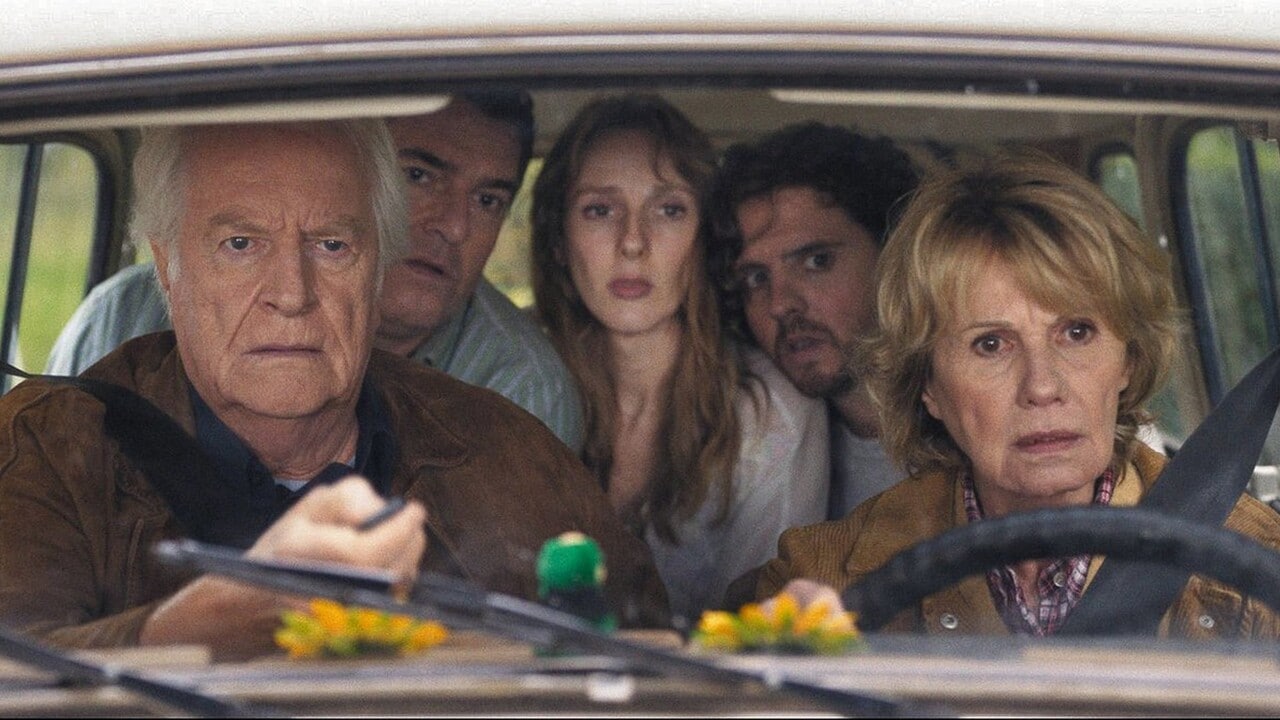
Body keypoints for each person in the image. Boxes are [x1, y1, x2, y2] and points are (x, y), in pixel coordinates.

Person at [0, 119, 667, 660]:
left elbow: (649, 661)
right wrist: (178, 635)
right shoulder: (46, 448)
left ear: (378, 268)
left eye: (331, 246)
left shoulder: (505, 452)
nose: (292, 294)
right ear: (167, 266)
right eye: (241, 244)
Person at [752, 153, 1280, 639]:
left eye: (1076, 333)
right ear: (927, 384)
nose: (1042, 387)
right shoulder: (822, 578)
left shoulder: (1262, 568)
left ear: (1129, 360)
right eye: (990, 344)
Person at [44, 92, 585, 452]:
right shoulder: (116, 319)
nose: (454, 225)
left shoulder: (521, 388)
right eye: (419, 175)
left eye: (489, 200)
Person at [530, 94, 828, 625]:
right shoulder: (518, 377)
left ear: (704, 239)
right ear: (558, 241)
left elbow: (761, 630)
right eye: (599, 210)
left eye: (669, 210)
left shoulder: (770, 412)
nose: (633, 243)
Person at [707, 122, 920, 519]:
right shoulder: (775, 444)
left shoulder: (980, 439)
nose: (779, 304)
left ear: (892, 253)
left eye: (816, 261)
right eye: (756, 278)